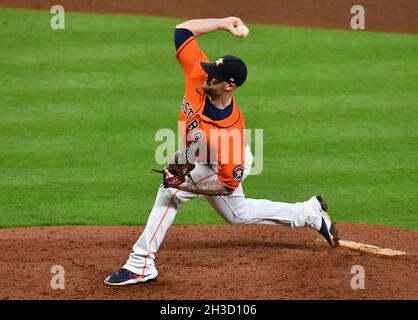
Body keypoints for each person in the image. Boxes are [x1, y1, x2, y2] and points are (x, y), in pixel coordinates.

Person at [104, 17, 339, 286]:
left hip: (225, 166)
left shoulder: (229, 133)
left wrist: (186, 182)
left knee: (172, 191)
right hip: (201, 153)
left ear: (229, 86)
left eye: (213, 78)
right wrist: (224, 22)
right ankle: (309, 213)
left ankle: (140, 263)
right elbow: (182, 30)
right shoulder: (199, 75)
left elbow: (227, 185)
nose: (206, 77)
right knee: (237, 214)